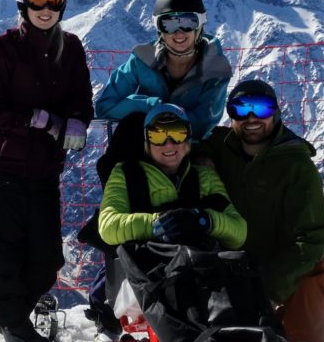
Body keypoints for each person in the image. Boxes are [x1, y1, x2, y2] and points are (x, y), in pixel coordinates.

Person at [85, 0, 233, 331]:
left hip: (182, 149)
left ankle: (184, 301)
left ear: (201, 26)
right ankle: (106, 297)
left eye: (187, 22)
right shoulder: (140, 61)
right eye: (170, 23)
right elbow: (104, 105)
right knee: (125, 222)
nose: (179, 32)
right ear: (158, 28)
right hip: (134, 152)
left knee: (179, 221)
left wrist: (167, 122)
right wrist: (148, 106)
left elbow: (203, 122)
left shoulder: (215, 70)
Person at [196, 79, 324, 342]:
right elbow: (183, 148)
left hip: (284, 259)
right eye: (239, 110)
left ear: (276, 111)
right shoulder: (219, 147)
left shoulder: (296, 164)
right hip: (231, 257)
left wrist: (273, 284)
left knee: (309, 278)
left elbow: (313, 237)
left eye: (260, 108)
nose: (250, 118)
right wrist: (201, 160)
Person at [0, 0, 93, 342]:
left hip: (44, 169)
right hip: (2, 168)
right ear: (22, 3)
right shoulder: (4, 48)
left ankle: (6, 312)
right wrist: (34, 119)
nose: (46, 8)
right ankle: (13, 323)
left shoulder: (70, 47)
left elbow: (81, 97)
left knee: (45, 258)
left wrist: (77, 119)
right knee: (9, 252)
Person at [97, 103, 246, 252]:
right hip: (148, 270)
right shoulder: (126, 174)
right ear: (146, 142)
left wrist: (204, 220)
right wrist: (160, 223)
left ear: (188, 139)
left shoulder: (204, 176)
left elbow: (238, 232)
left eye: (178, 134)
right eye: (158, 135)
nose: (169, 144)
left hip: (200, 270)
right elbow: (108, 226)